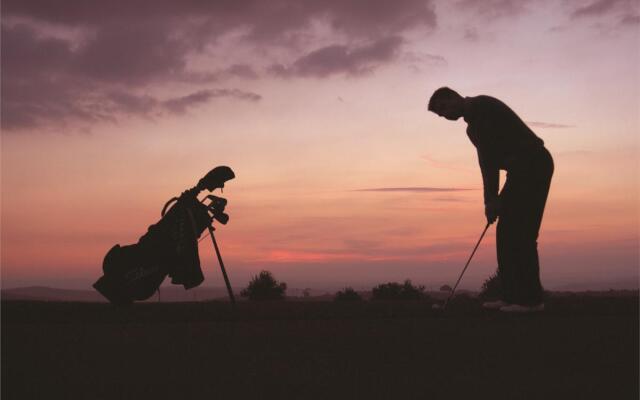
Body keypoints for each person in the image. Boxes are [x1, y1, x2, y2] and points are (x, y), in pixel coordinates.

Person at [428, 87, 554, 313]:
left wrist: (491, 201)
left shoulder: (483, 108)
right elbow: (487, 163)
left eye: (444, 108)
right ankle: (511, 296)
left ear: (453, 96)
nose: (445, 116)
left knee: (522, 233)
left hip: (534, 165)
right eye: (440, 114)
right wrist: (491, 201)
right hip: (519, 171)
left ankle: (531, 301)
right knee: (506, 233)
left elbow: (490, 162)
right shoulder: (472, 127)